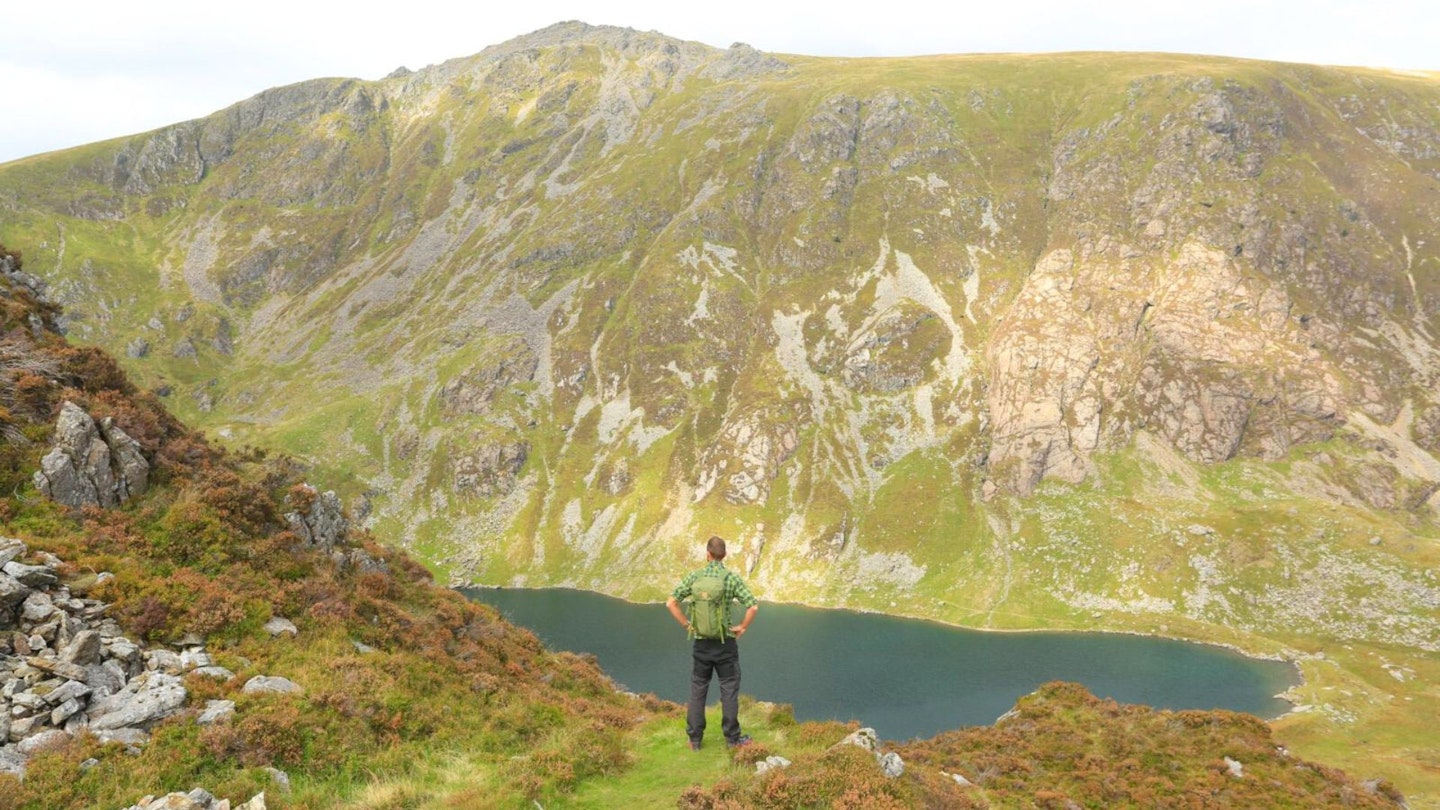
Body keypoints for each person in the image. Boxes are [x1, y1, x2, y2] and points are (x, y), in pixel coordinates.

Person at [665, 535, 759, 750]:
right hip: (725, 644)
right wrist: (742, 627)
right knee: (728, 689)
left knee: (698, 689)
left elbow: (671, 603)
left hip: (701, 644)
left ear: (707, 554)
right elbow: (753, 606)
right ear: (724, 555)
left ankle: (695, 739)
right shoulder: (730, 578)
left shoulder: (695, 577)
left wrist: (687, 626)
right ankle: (732, 739)